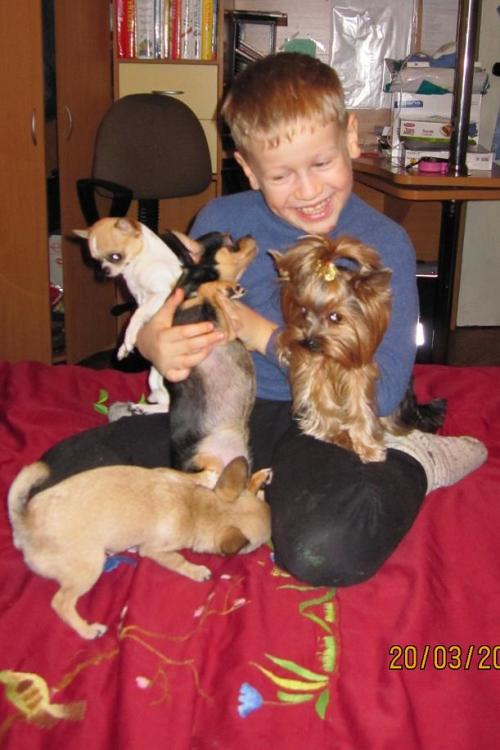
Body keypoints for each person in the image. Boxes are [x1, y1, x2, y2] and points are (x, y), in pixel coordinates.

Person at [137, 53, 487, 587]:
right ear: (248, 168)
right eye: (281, 175)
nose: (307, 191)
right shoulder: (219, 221)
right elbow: (172, 315)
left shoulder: (386, 245)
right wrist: (153, 343)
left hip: (322, 420)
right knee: (69, 486)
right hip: (224, 412)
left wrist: (264, 336)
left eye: (321, 164)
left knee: (324, 550)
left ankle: (417, 459)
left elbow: (383, 393)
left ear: (351, 138)